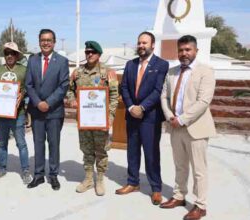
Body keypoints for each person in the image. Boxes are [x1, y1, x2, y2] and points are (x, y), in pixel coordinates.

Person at [160, 35, 216, 220]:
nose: (184, 53)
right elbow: (164, 97)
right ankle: (179, 196)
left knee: (199, 169)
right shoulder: (172, 72)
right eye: (181, 50)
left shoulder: (205, 71)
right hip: (175, 127)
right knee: (180, 165)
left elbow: (203, 101)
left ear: (196, 51)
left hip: (195, 128)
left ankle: (200, 205)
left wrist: (182, 119)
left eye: (187, 50)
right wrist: (170, 116)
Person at [117, 31, 169, 205]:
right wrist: (131, 107)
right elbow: (123, 87)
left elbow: (158, 90)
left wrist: (143, 107)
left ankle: (156, 188)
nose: (141, 46)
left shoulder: (161, 64)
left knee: (151, 153)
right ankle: (133, 183)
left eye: (144, 43)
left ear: (153, 45)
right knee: (132, 151)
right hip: (132, 115)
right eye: (139, 43)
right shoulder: (130, 64)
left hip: (150, 117)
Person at [67, 41, 118, 196]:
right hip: (84, 120)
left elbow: (114, 97)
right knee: (87, 150)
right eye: (87, 52)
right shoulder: (77, 72)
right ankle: (88, 179)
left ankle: (100, 179)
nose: (89, 55)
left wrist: (110, 118)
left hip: (101, 121)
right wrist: (72, 100)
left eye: (93, 52)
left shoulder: (107, 73)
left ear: (99, 54)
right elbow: (69, 91)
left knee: (101, 151)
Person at [25, 29, 69, 190]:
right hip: (37, 110)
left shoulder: (62, 61)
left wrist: (48, 103)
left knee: (54, 144)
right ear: (39, 42)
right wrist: (38, 103)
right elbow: (28, 84)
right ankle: (38, 175)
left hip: (54, 111)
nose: (46, 43)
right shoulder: (32, 60)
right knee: (38, 143)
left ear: (54, 42)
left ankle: (53, 175)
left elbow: (63, 85)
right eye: (43, 40)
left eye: (49, 40)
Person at [0, 42, 32, 184]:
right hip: (1, 114)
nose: (10, 56)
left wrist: (22, 94)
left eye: (12, 53)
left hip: (18, 114)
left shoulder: (24, 70)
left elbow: (30, 88)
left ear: (17, 55)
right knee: (1, 143)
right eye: (7, 53)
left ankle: (25, 170)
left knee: (21, 143)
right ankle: (2, 168)